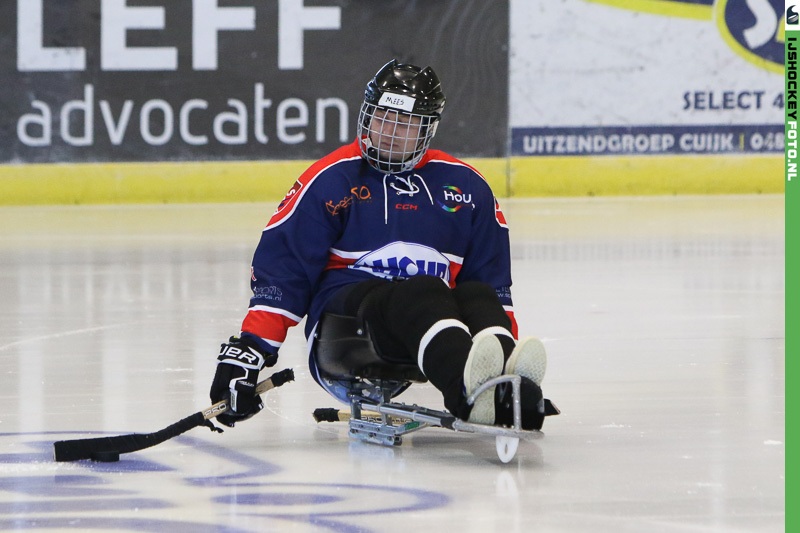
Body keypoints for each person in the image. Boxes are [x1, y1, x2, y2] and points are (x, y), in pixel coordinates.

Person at [210, 59, 548, 430]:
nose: (388, 132)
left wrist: (501, 339)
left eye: (405, 124)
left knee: (477, 296)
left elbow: (494, 288)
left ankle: (505, 387)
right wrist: (250, 351)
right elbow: (285, 272)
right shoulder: (331, 179)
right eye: (382, 117)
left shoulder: (467, 187)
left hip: (422, 330)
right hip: (344, 334)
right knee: (422, 291)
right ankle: (466, 392)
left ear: (428, 129)